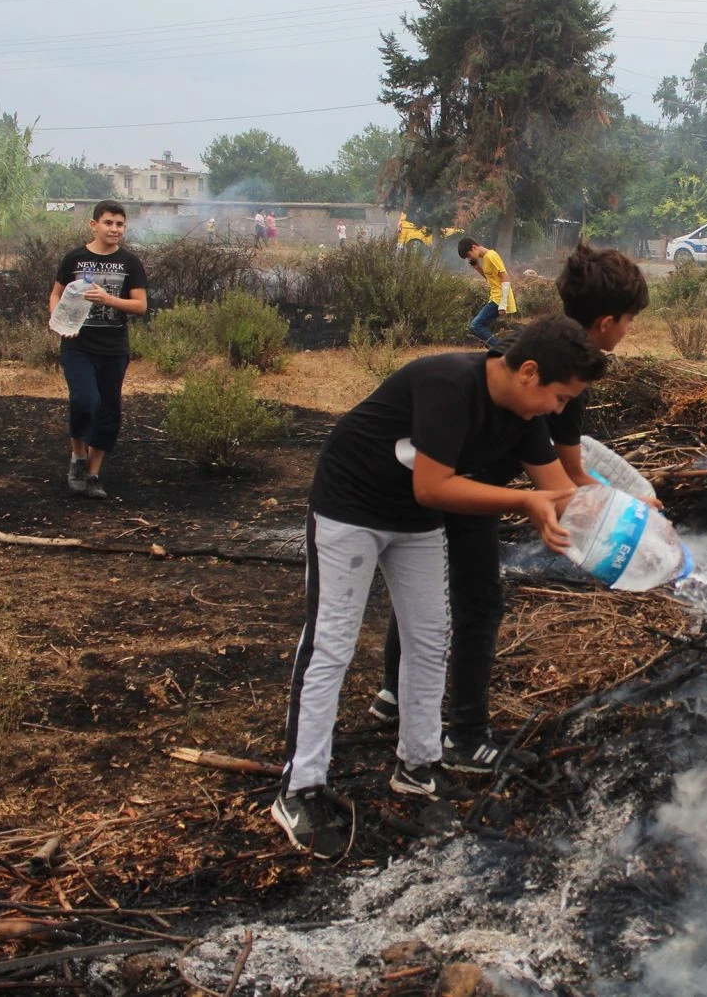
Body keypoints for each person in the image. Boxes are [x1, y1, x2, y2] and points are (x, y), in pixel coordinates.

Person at [273, 314, 607, 860]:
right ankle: (299, 788)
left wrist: (637, 530)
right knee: (331, 643)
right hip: (350, 508)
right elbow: (432, 487)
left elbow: (563, 492)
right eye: (561, 397)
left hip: (413, 522)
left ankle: (418, 766)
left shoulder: (524, 414)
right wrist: (524, 502)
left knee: (430, 638)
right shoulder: (448, 384)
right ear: (529, 372)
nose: (560, 411)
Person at [373, 244, 650, 773]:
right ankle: (466, 734)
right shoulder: (567, 375)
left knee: (425, 593)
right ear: (608, 321)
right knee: (478, 604)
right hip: (467, 486)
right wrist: (631, 511)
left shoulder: (540, 342)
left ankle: (392, 692)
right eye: (631, 321)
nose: (558, 407)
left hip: (453, 476)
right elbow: (569, 475)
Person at [48, 200, 149, 500]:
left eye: (119, 224)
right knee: (84, 401)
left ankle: (92, 474)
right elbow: (56, 294)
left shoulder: (130, 263)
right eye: (108, 223)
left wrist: (109, 301)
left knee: (109, 411)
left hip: (114, 349)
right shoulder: (74, 259)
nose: (114, 229)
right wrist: (58, 322)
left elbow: (140, 306)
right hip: (78, 345)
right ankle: (78, 455)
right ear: (94, 225)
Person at [458, 237, 515, 348]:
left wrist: (503, 303)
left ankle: (501, 349)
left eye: (469, 255)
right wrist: (477, 268)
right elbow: (491, 279)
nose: (470, 258)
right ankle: (497, 348)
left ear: (474, 247)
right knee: (479, 325)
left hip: (499, 298)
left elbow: (505, 278)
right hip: (495, 297)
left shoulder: (491, 256)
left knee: (475, 325)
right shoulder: (485, 258)